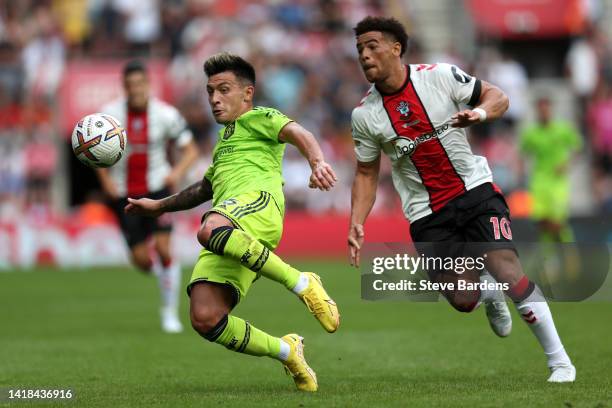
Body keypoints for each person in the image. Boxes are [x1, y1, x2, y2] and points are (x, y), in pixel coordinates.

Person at [348, 16, 575, 382]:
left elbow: (498, 96)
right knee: (463, 300)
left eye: (372, 45)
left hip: (474, 190)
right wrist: (356, 222)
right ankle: (489, 292)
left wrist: (480, 113)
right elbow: (366, 173)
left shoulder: (439, 76)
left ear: (396, 48)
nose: (365, 55)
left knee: (507, 268)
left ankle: (560, 362)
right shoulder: (365, 115)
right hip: (426, 214)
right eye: (360, 49)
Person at [124, 53, 340, 392]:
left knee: (208, 228)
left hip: (258, 207)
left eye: (223, 89)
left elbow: (299, 132)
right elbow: (205, 188)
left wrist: (317, 162)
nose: (214, 98)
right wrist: (158, 206)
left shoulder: (261, 116)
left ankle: (302, 282)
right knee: (205, 317)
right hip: (230, 227)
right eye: (210, 91)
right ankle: (288, 352)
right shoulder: (223, 141)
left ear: (247, 93)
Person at [97, 60, 199, 333]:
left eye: (140, 83)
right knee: (142, 261)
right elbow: (93, 151)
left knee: (165, 249)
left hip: (158, 190)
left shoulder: (166, 114)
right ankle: (166, 276)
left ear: (148, 84)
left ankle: (169, 313)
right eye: (130, 85)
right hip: (124, 194)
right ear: (124, 87)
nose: (136, 89)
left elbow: (191, 150)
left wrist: (175, 173)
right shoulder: (109, 115)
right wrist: (105, 179)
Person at [520, 97, 582, 242]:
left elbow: (578, 148)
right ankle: (549, 261)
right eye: (541, 109)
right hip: (539, 182)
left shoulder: (563, 129)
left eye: (546, 108)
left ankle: (569, 254)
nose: (544, 112)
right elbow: (522, 153)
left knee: (557, 222)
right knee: (542, 223)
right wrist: (521, 172)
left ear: (551, 109)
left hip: (557, 182)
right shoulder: (531, 133)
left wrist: (567, 164)